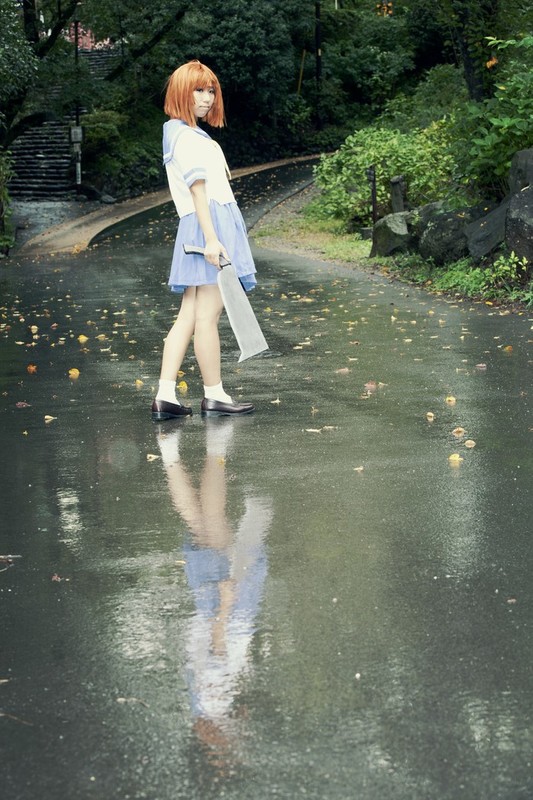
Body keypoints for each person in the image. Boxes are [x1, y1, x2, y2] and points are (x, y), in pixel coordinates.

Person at [151, 60, 257, 421]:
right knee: (208, 316)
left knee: (190, 315)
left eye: (211, 90)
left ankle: (166, 394)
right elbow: (198, 190)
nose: (207, 97)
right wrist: (212, 240)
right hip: (208, 227)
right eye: (199, 90)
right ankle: (214, 395)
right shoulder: (185, 136)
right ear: (182, 92)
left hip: (200, 225)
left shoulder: (184, 133)